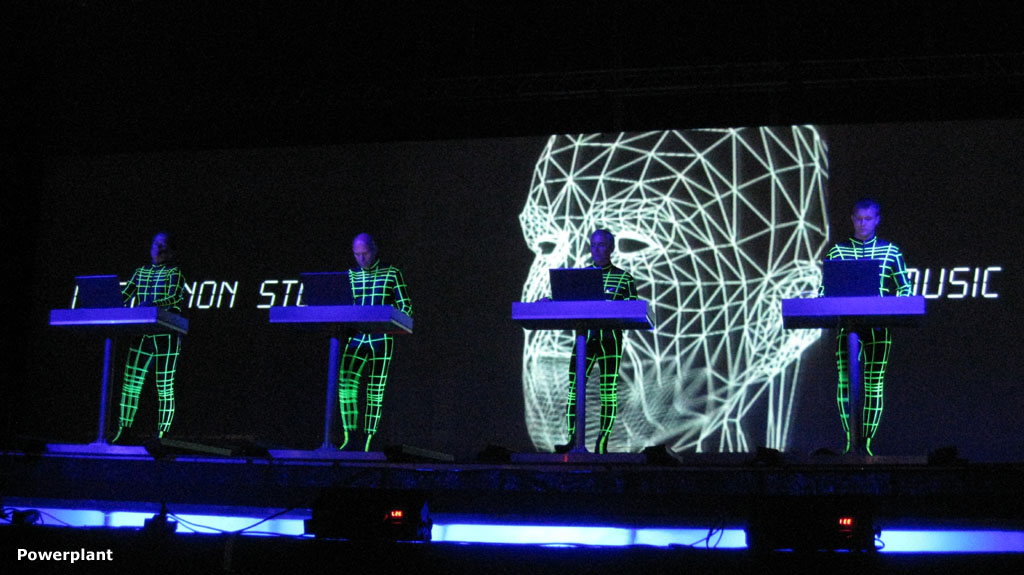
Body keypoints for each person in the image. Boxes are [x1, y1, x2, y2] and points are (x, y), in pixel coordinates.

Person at [521, 128, 830, 454]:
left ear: (776, 315)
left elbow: (631, 305)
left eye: (634, 243)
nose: (570, 262)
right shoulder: (579, 285)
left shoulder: (622, 280)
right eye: (545, 244)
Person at [820, 197, 912, 455]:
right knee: (845, 383)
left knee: (873, 383)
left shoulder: (890, 251)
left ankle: (866, 444)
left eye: (868, 218)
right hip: (846, 326)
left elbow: (905, 287)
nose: (863, 223)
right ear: (852, 219)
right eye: (859, 218)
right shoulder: (838, 252)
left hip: (879, 326)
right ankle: (851, 442)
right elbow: (825, 290)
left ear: (877, 220)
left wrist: (895, 307)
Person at [555, 229, 638, 454]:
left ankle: (602, 443)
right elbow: (565, 300)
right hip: (586, 337)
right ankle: (573, 440)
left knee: (608, 391)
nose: (596, 250)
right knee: (574, 388)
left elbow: (634, 308)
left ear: (611, 248)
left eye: (601, 245)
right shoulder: (581, 277)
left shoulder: (624, 278)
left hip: (611, 339)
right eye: (593, 245)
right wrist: (549, 301)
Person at [337, 233, 412, 451]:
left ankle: (369, 438)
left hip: (381, 336)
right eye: (356, 254)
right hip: (357, 336)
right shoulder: (350, 276)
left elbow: (406, 306)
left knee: (375, 389)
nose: (361, 258)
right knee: (346, 384)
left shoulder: (391, 274)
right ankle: (350, 436)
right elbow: (342, 305)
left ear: (374, 250)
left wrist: (392, 319)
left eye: (365, 253)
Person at [111, 231, 187, 444]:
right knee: (131, 382)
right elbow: (124, 296)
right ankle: (124, 430)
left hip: (166, 334)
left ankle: (163, 434)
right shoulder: (140, 273)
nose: (159, 248)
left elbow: (174, 297)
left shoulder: (175, 273)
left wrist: (151, 305)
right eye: (156, 244)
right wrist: (108, 302)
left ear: (171, 251)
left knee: (164, 385)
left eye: (164, 244)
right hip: (142, 332)